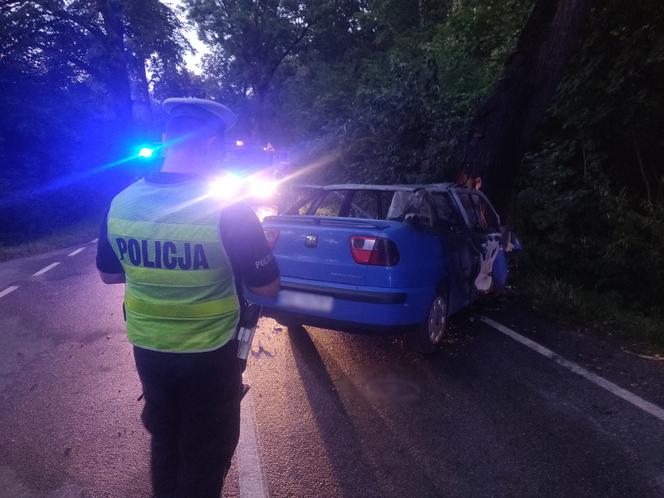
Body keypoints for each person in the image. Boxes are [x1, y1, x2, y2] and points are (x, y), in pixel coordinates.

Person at [95, 97, 280, 498]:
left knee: (165, 441)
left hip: (149, 349)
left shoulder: (121, 203)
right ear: (213, 145)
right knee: (205, 453)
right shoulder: (228, 208)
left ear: (166, 139)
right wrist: (260, 249)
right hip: (210, 355)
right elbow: (266, 287)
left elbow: (110, 274)